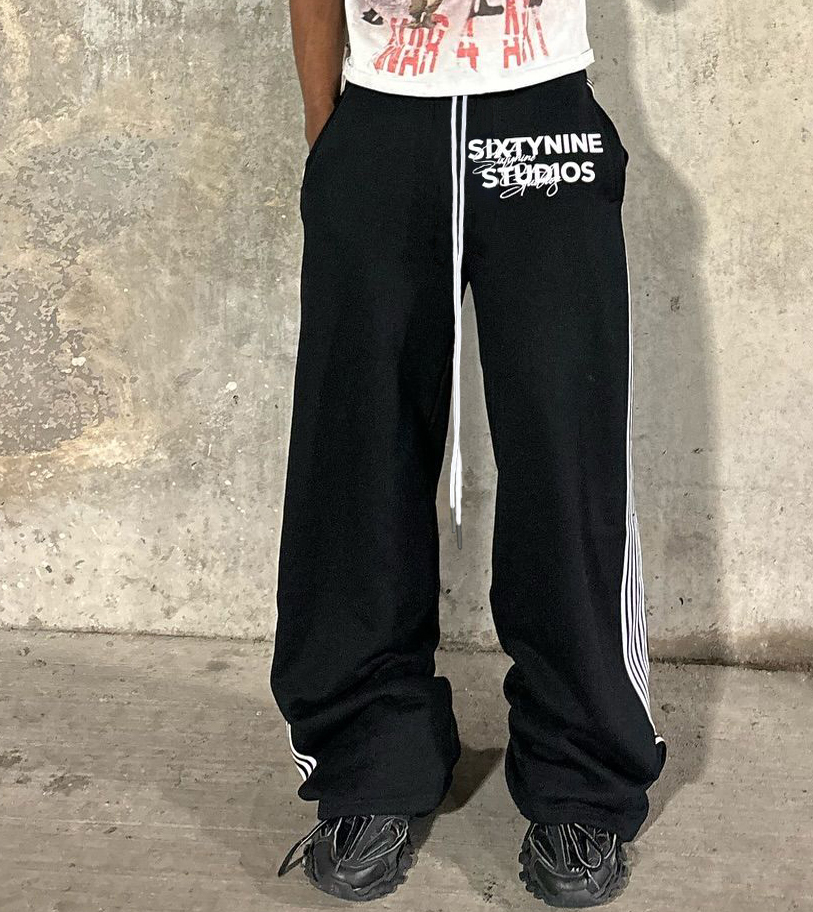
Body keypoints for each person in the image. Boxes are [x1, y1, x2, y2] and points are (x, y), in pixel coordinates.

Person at [271, 0, 666, 905]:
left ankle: (580, 780)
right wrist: (327, 129)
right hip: (381, 114)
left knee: (565, 455)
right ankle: (367, 762)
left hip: (540, 114)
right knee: (354, 452)